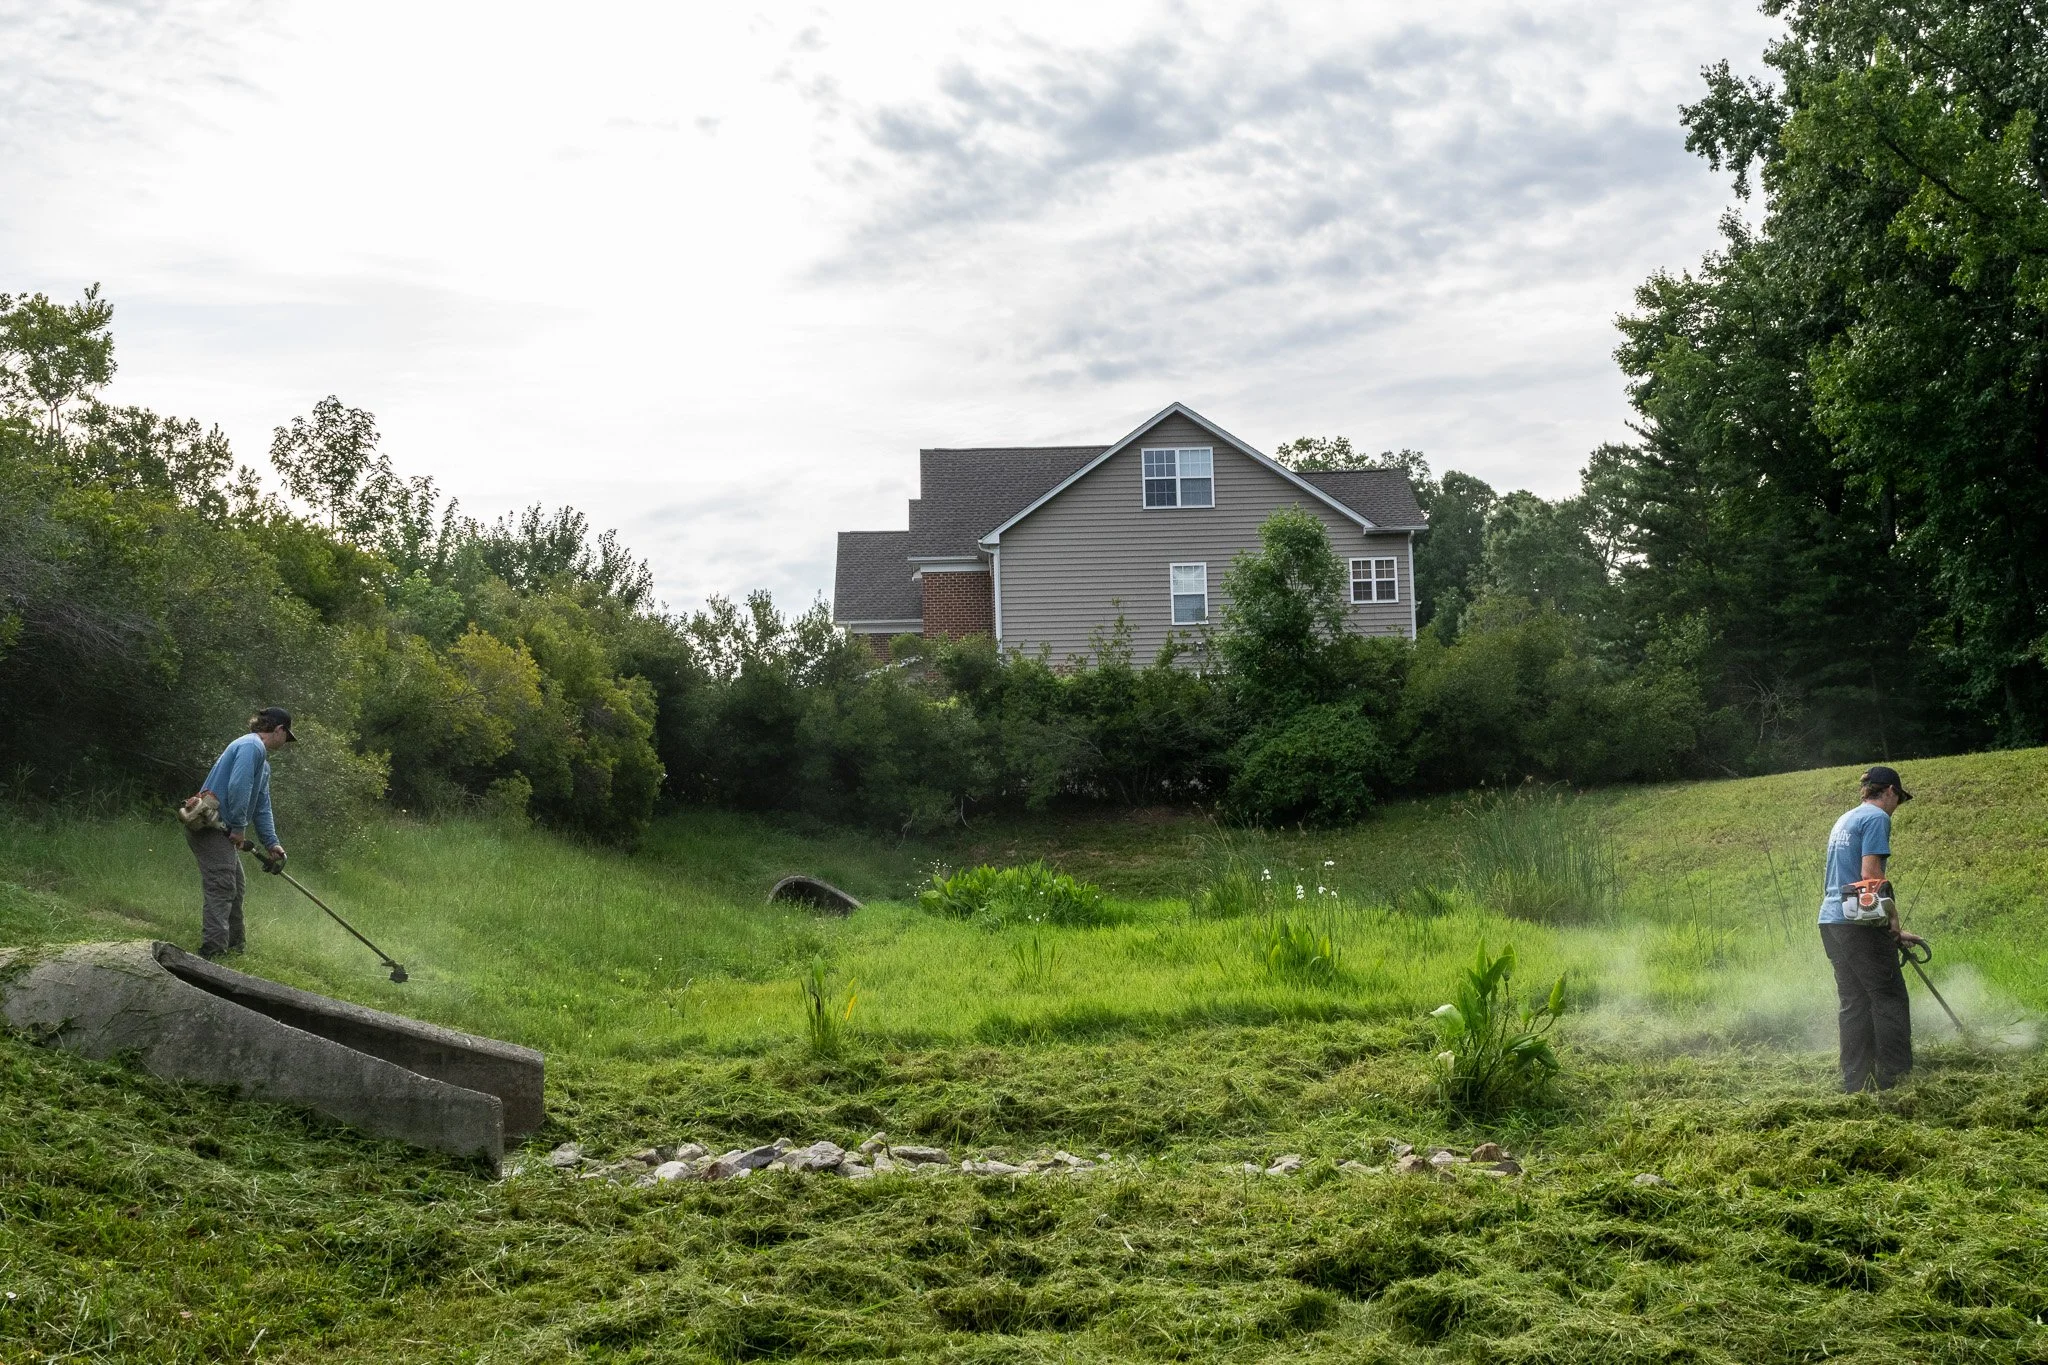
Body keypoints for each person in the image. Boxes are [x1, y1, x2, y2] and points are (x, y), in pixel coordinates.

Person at [1818, 765, 1923, 1091]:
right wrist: (1892, 921)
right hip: (1858, 922)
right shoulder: (1877, 818)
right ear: (1890, 790)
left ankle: (1855, 1079)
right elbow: (1871, 874)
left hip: (1832, 919)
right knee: (1888, 997)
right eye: (1898, 799)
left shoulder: (1846, 818)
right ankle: (1896, 1078)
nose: (1896, 807)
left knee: (1854, 1001)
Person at [183, 708, 293, 959]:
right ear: (279, 730)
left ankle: (235, 946)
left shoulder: (263, 763)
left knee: (236, 886)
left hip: (223, 828)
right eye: (287, 736)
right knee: (222, 885)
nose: (286, 742)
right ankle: (213, 950)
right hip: (209, 826)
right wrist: (240, 828)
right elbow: (238, 786)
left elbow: (262, 806)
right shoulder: (250, 746)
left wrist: (271, 843)